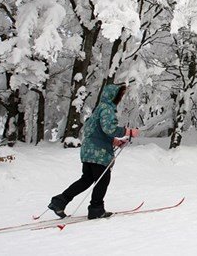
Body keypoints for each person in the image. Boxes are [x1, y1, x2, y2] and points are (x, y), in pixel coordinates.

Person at [48, 84, 139, 219]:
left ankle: (60, 201)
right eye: (120, 95)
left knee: (86, 179)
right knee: (102, 179)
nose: (120, 98)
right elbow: (109, 129)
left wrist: (114, 141)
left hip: (88, 151)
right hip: (99, 153)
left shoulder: (99, 109)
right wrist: (128, 131)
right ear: (114, 96)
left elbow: (94, 131)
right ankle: (96, 209)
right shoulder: (107, 109)